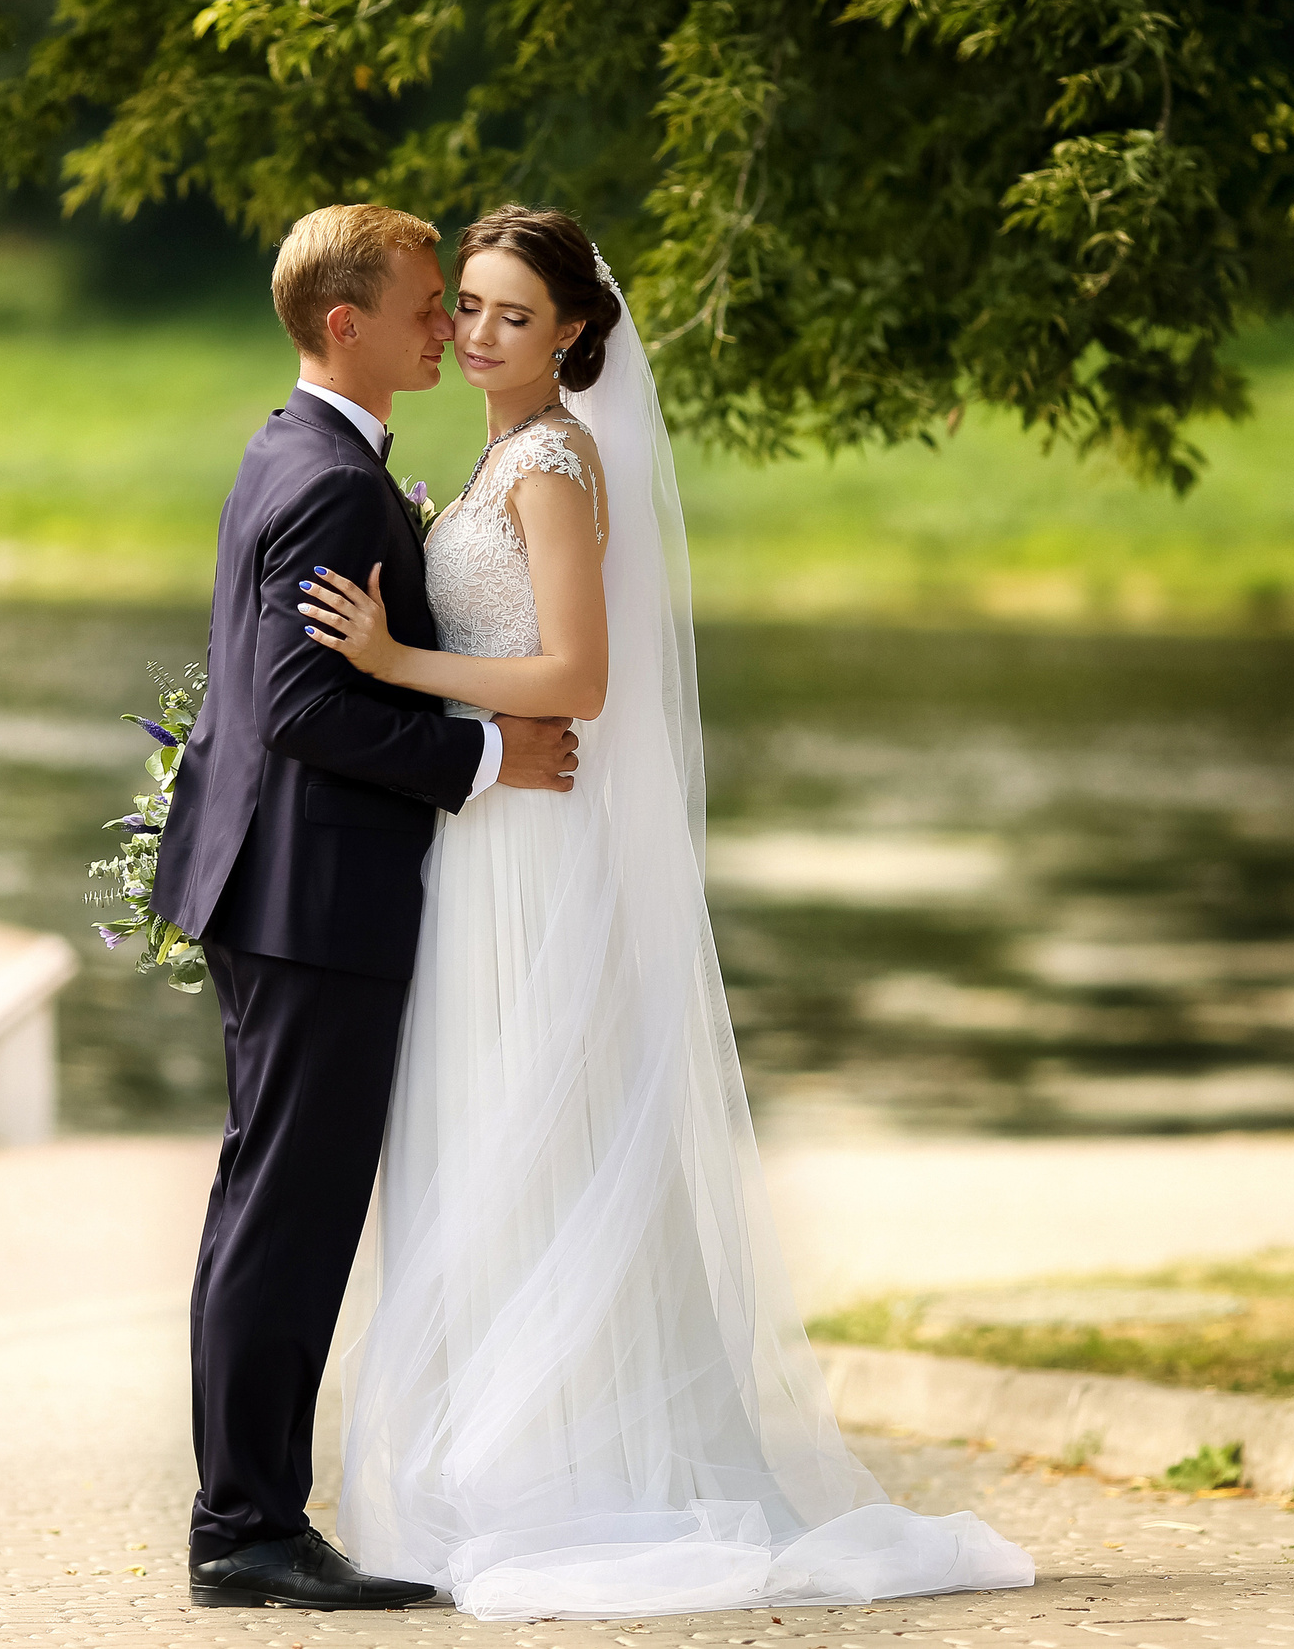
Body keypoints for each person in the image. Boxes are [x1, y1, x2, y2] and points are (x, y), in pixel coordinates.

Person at [296, 204, 1036, 1620]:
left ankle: (559, 1474)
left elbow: (578, 678)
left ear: (574, 331)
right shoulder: (497, 457)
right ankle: (511, 1460)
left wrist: (393, 662)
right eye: (466, 305)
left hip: (538, 838)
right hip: (486, 834)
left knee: (544, 1132)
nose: (479, 331)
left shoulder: (557, 461)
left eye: (515, 313)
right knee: (488, 1130)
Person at [149, 203, 582, 1610]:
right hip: (311, 902)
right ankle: (249, 1532)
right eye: (422, 308)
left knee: (264, 1207)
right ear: (348, 324)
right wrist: (483, 755)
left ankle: (250, 1515)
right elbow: (295, 708)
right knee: (288, 1216)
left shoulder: (298, 448)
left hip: (271, 893)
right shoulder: (333, 481)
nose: (445, 332)